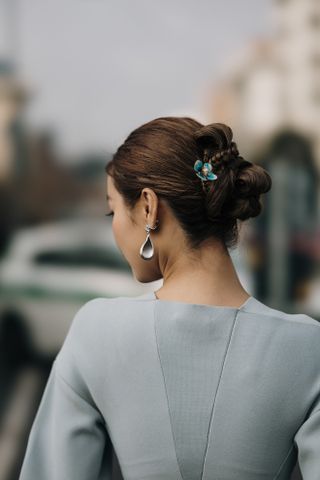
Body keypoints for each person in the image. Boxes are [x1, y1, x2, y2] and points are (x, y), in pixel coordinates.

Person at [19, 118, 320, 480]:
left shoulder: (95, 331)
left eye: (112, 211)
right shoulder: (306, 348)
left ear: (148, 207)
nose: (113, 226)